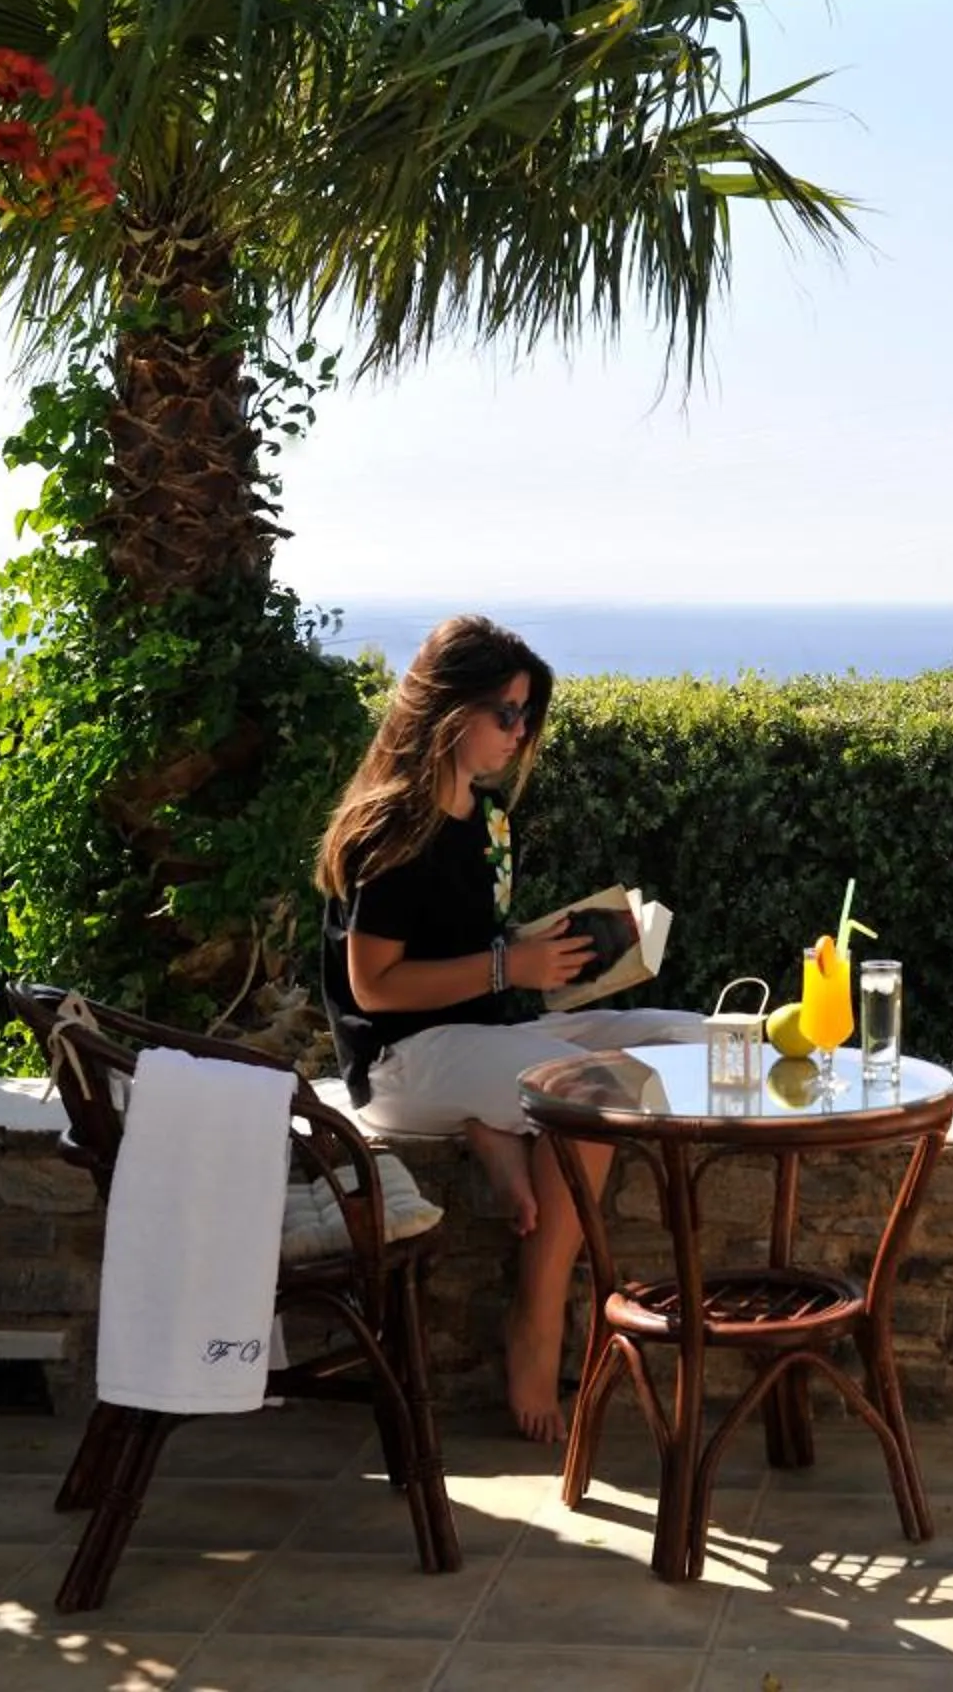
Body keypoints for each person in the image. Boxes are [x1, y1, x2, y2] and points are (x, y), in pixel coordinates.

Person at [311, 614, 702, 1445]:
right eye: (506, 713)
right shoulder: (391, 828)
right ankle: (536, 1317)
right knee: (603, 1091)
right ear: (449, 711)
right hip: (402, 1065)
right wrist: (507, 970)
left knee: (686, 1036)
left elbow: (465, 945)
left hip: (475, 1039)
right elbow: (373, 987)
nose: (519, 733)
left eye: (527, 714)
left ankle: (494, 1125)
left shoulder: (484, 820)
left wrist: (545, 954)